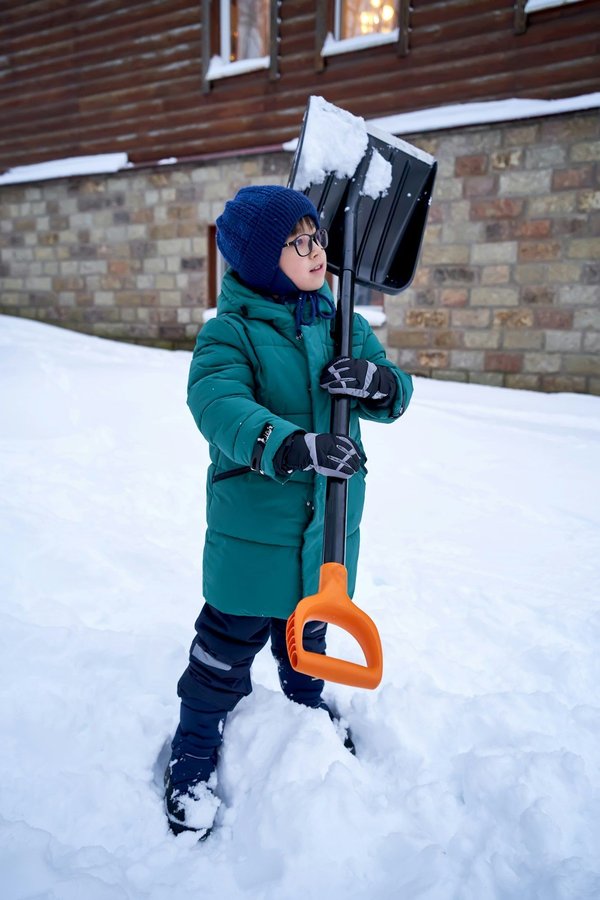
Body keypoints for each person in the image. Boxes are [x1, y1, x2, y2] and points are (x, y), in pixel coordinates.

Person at [164, 185, 413, 837]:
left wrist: (377, 382)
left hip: (325, 531)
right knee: (223, 653)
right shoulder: (229, 334)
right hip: (253, 533)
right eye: (298, 241)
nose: (316, 251)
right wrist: (293, 444)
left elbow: (395, 390)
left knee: (309, 634)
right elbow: (218, 407)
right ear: (256, 259)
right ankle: (192, 753)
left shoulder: (344, 325)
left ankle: (304, 701)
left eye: (318, 238)